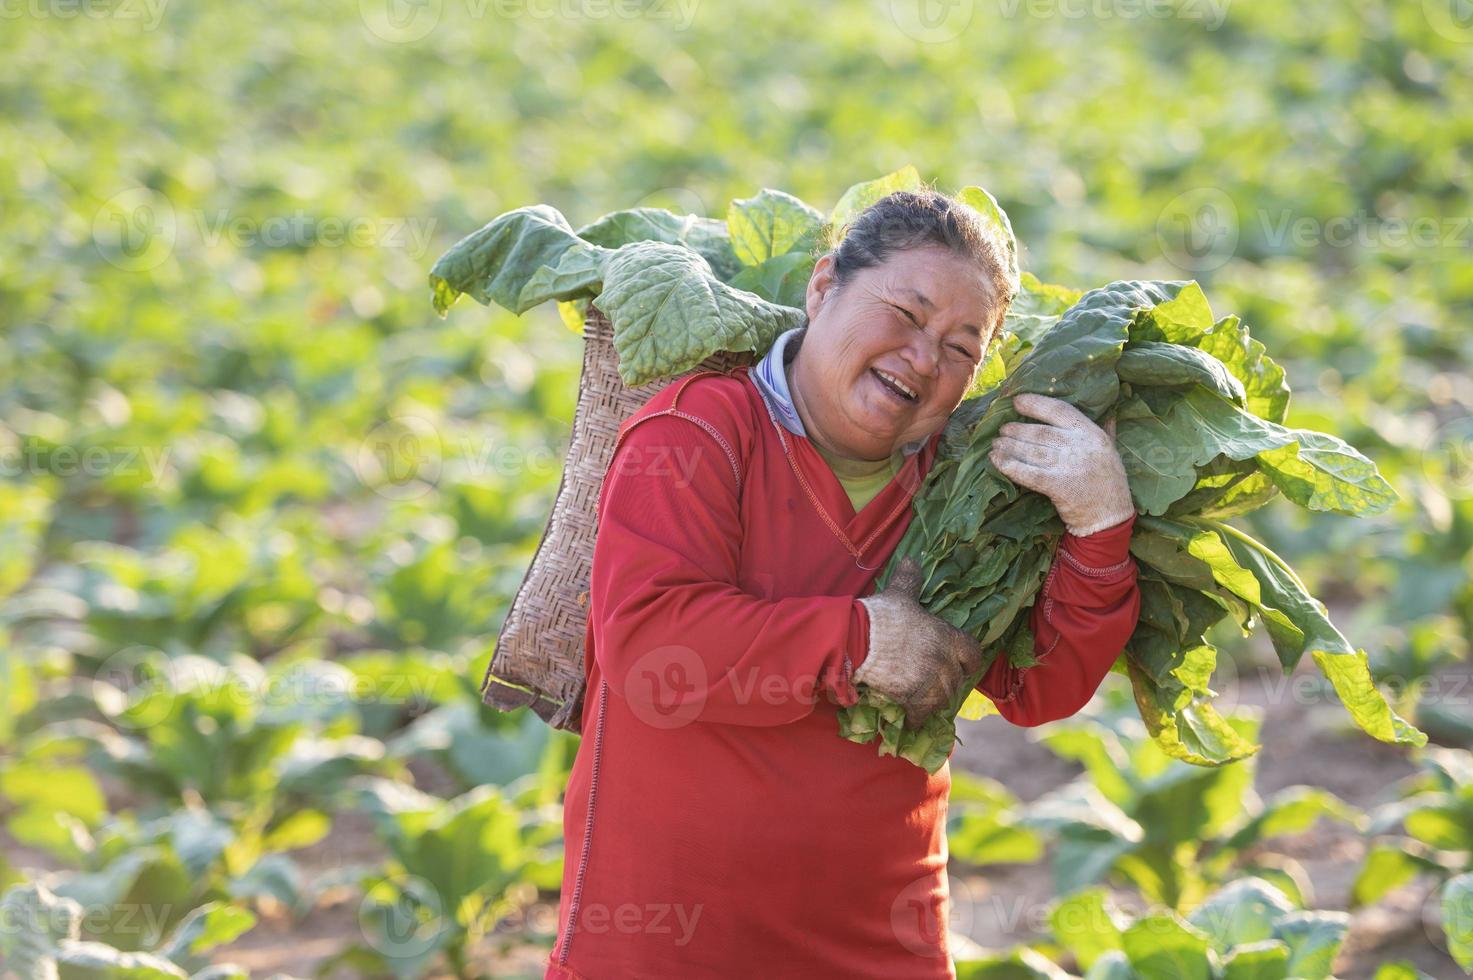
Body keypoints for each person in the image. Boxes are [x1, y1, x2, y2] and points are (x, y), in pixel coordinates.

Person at [544, 190, 1141, 979]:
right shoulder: (695, 430)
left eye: (962, 347)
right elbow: (654, 649)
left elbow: (1037, 686)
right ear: (823, 287)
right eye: (906, 312)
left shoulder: (961, 487)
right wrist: (861, 640)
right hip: (669, 939)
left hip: (880, 939)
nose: (926, 358)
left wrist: (1099, 530)